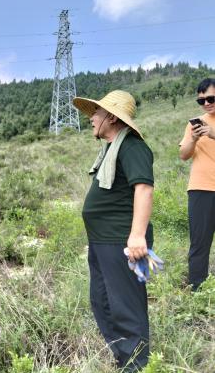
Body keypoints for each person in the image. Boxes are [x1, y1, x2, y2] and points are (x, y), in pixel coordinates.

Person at [73, 90, 154, 372]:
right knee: (103, 302)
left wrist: (137, 236)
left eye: (96, 113)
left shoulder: (132, 147)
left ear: (111, 117)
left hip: (121, 240)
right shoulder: (111, 148)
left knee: (126, 307)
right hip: (102, 241)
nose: (91, 118)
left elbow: (143, 188)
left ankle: (136, 365)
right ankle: (124, 359)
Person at [179, 78, 215, 291]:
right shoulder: (194, 123)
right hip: (201, 188)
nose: (206, 104)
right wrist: (193, 138)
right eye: (201, 100)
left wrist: (212, 133)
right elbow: (183, 155)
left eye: (211, 98)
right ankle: (197, 289)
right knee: (199, 243)